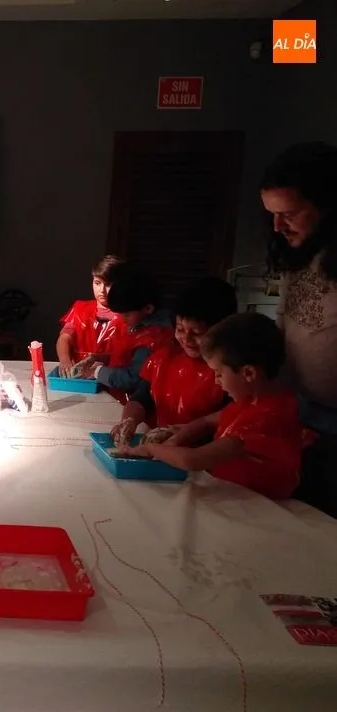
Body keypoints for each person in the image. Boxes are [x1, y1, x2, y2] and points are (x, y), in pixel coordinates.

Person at [124, 313, 314, 501]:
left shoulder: (265, 418)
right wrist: (178, 436)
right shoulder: (251, 400)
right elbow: (207, 421)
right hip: (230, 493)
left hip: (255, 505)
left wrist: (150, 449)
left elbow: (193, 459)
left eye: (219, 374)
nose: (216, 381)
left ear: (248, 373)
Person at [262, 142, 337, 515]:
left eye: (289, 214)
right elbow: (284, 323)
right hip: (300, 414)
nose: (277, 227)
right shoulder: (298, 254)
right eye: (272, 215)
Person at [110, 276, 238, 446]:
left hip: (202, 455)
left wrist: (187, 433)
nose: (187, 339)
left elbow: (234, 420)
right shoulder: (165, 358)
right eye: (180, 329)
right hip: (165, 451)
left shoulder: (233, 372)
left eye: (197, 333)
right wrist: (129, 420)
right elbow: (142, 398)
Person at [82, 268, 173, 397]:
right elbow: (128, 357)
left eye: (126, 314)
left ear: (148, 308)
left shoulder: (154, 337)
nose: (123, 319)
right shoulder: (139, 323)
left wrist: (97, 372)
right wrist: (104, 358)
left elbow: (133, 379)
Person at [56, 255, 125, 376]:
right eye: (97, 283)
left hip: (112, 377)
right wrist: (65, 360)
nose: (102, 290)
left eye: (108, 284)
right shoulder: (80, 309)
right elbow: (65, 338)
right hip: (79, 376)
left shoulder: (128, 315)